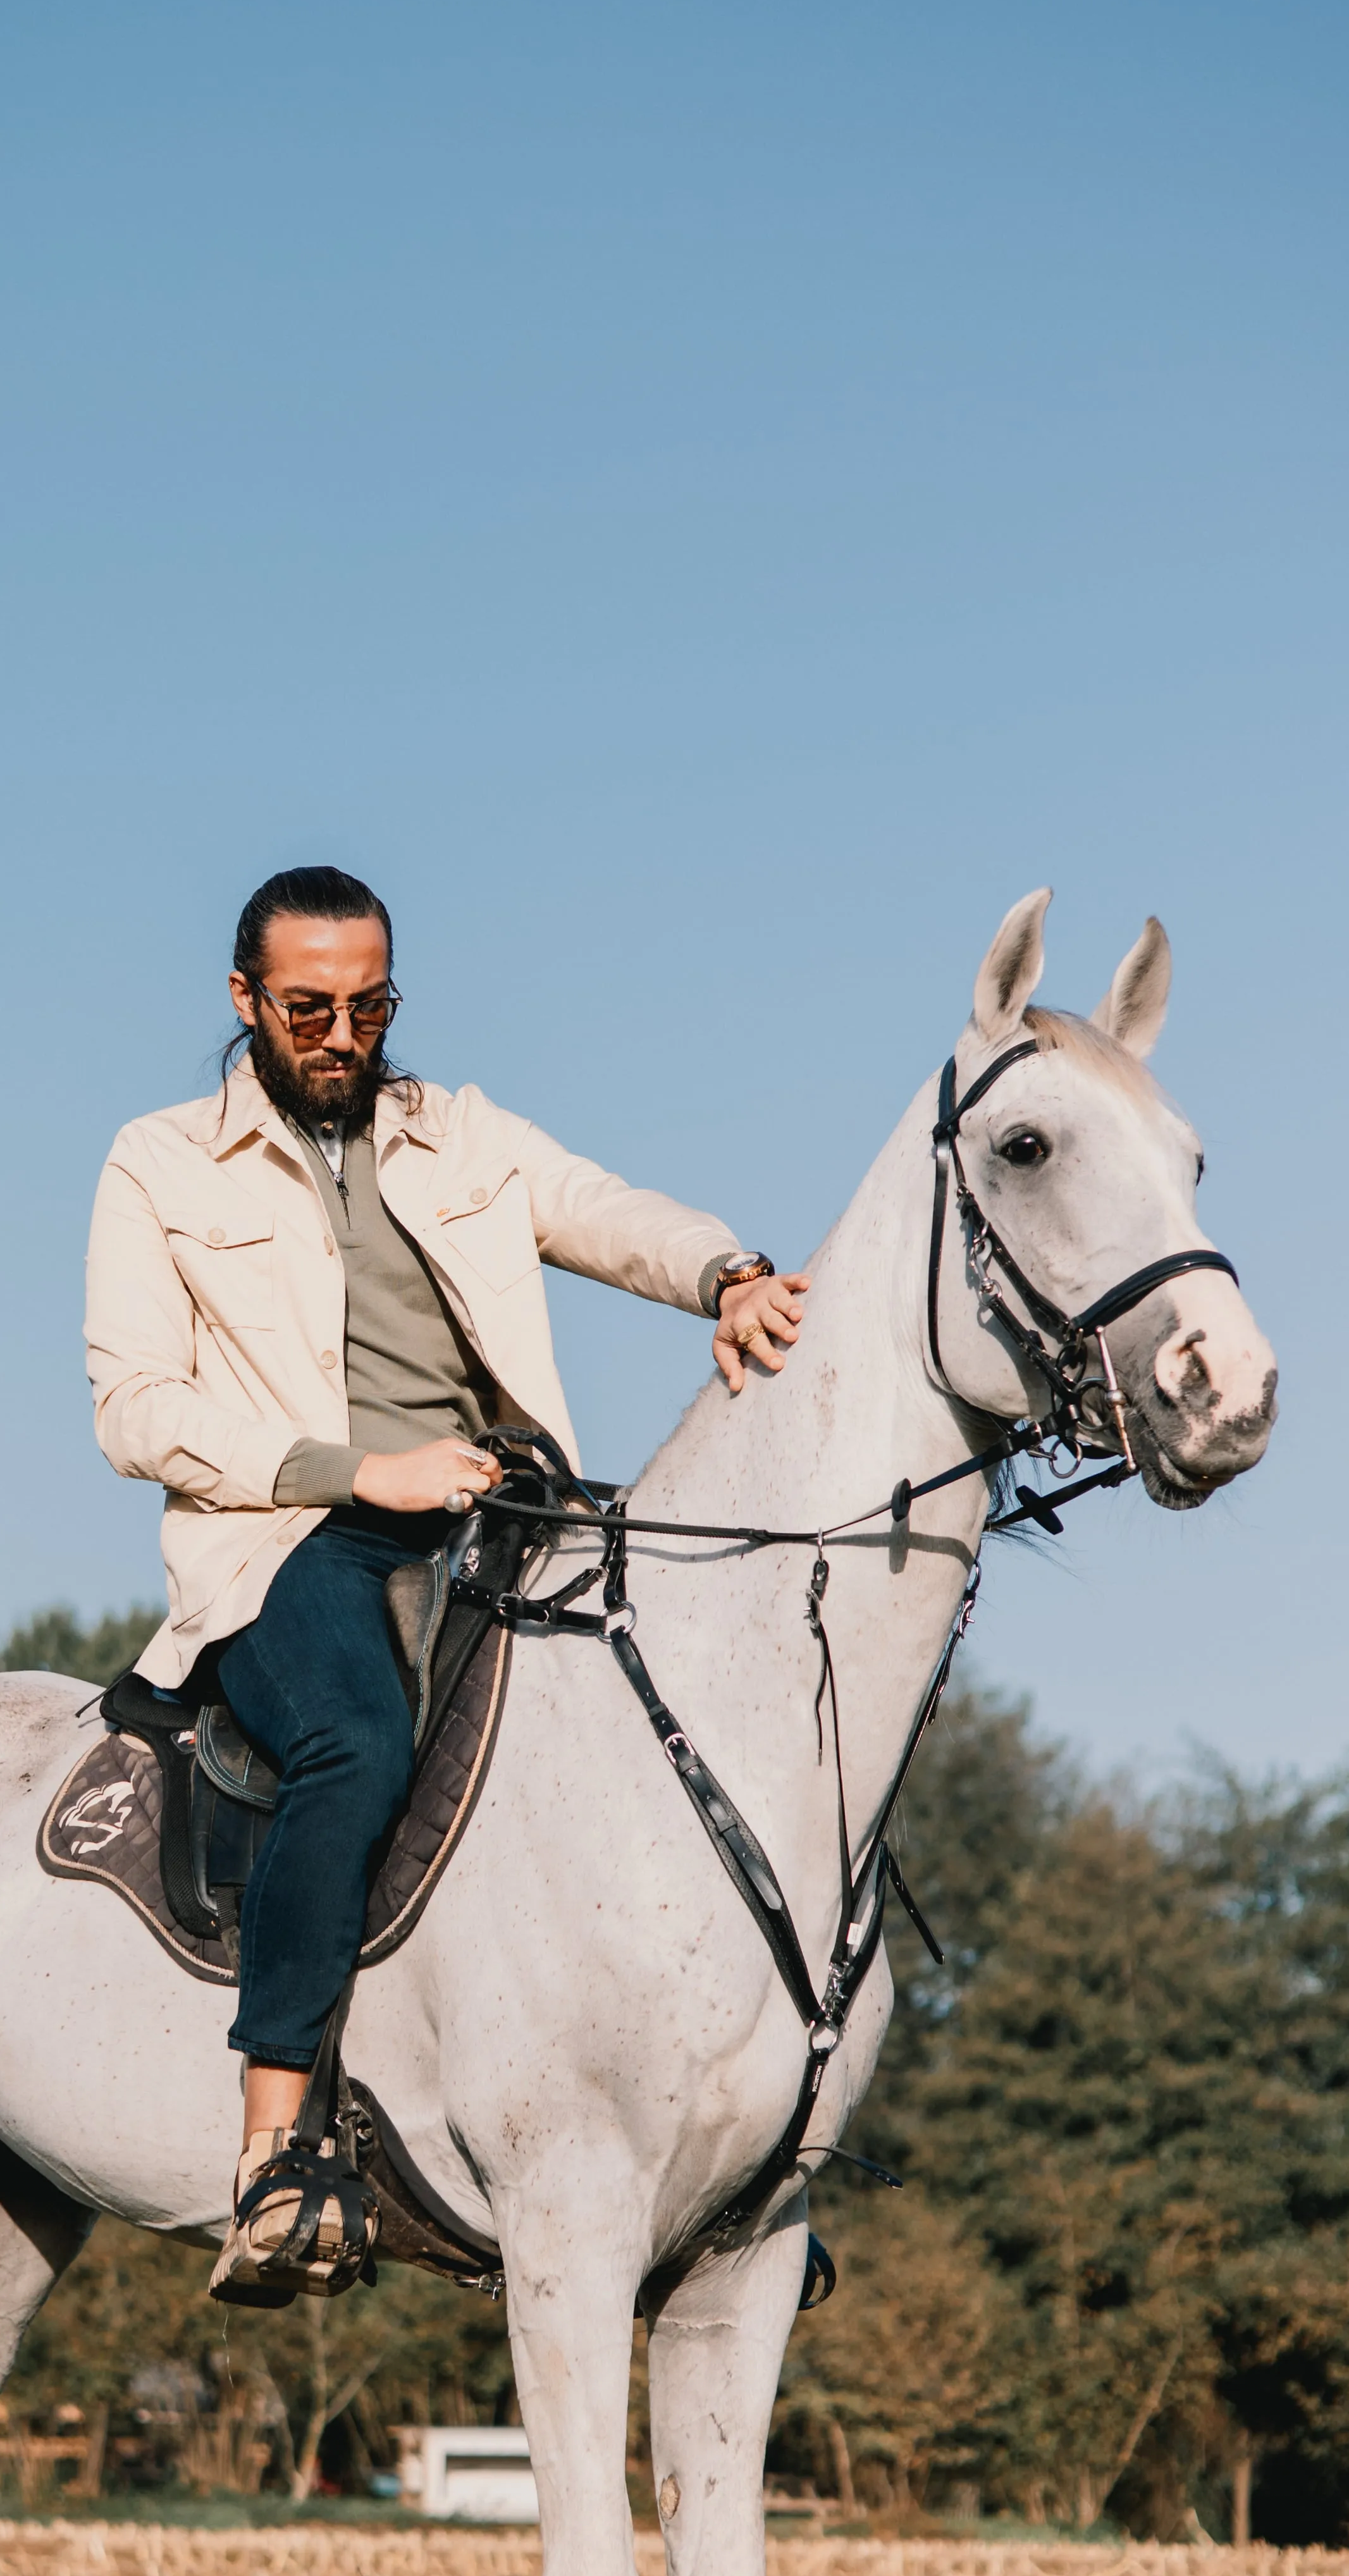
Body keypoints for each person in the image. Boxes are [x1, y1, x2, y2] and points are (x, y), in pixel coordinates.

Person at [83, 866, 808, 2295]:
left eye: (370, 1006)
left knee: (684, 1716)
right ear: (245, 1002)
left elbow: (602, 1210)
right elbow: (133, 1411)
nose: (343, 1034)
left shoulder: (459, 1137)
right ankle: (277, 2153)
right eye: (309, 1008)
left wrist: (726, 1271)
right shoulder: (158, 1163)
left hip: (507, 1506)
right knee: (352, 1744)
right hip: (287, 1537)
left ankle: (718, 2131)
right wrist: (360, 1470)